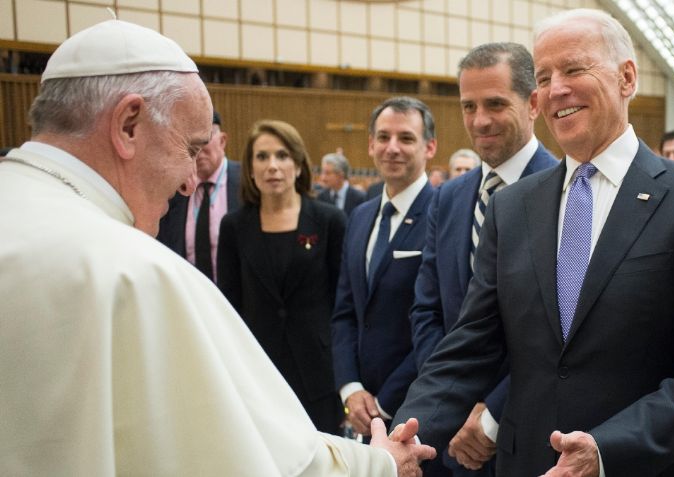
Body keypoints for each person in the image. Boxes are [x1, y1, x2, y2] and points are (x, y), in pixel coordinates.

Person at [0, 19, 435, 476]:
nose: (192, 182)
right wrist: (378, 465)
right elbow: (250, 458)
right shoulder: (133, 271)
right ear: (128, 125)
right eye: (190, 149)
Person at [393, 9, 674, 476]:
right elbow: (471, 345)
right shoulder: (513, 207)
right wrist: (404, 437)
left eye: (574, 69)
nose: (555, 88)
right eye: (543, 76)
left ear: (627, 78)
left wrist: (605, 450)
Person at [408, 41, 558, 476]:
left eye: (495, 104)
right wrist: (450, 399)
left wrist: (491, 411)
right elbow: (427, 309)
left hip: (526, 435)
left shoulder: (568, 193)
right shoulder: (450, 197)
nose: (479, 120)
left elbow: (561, 333)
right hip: (449, 436)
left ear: (533, 104)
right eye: (468, 106)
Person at [217, 120, 347, 434]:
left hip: (318, 372)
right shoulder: (234, 227)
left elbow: (342, 305)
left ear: (300, 165)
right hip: (259, 372)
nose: (272, 166)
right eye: (262, 157)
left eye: (282, 156)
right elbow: (229, 307)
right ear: (249, 168)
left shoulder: (329, 221)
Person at [332, 96, 436, 442]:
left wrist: (385, 402)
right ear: (371, 145)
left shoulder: (444, 213)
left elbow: (444, 322)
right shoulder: (361, 216)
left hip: (418, 408)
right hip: (360, 406)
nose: (392, 148)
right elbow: (346, 311)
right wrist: (350, 388)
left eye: (406, 138)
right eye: (383, 137)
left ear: (430, 147)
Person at [157, 110, 240, 281]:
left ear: (222, 141)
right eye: (190, 144)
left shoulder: (247, 184)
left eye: (204, 140)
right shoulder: (174, 189)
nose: (199, 150)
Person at [317, 152, 366, 216]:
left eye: (327, 173)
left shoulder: (360, 198)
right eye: (322, 172)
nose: (323, 178)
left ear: (341, 175)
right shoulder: (320, 197)